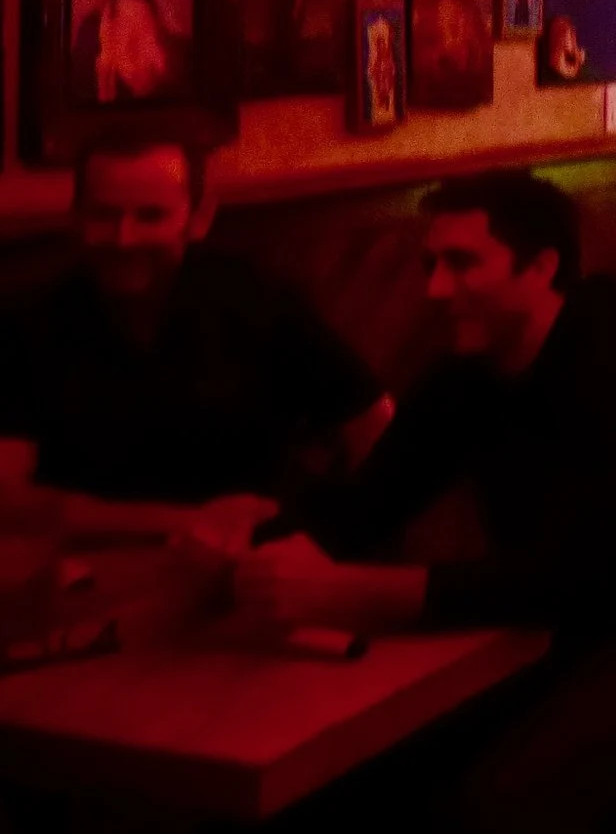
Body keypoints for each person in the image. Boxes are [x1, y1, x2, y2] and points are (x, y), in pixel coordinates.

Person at [237, 171, 616, 834]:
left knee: (507, 804)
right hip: (554, 637)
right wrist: (247, 530)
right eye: (429, 264)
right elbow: (366, 506)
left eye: (462, 263)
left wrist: (356, 594)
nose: (437, 288)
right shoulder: (467, 376)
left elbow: (575, 574)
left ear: (542, 266)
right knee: (344, 790)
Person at [0, 134, 391, 544]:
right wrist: (183, 523)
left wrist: (360, 544)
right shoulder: (29, 322)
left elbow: (374, 421)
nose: (124, 238)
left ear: (198, 219)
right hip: (101, 569)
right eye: (103, 215)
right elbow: (8, 500)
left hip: (261, 561)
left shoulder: (258, 299)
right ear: (75, 217)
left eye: (150, 216)